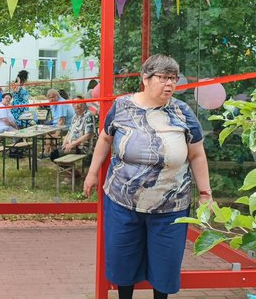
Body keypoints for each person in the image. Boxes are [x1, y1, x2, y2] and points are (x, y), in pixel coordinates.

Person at [82, 54, 212, 299]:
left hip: (170, 206)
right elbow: (105, 138)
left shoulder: (182, 112)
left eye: (173, 78)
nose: (170, 84)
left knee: (165, 265)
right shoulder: (122, 107)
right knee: (123, 261)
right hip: (122, 202)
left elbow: (197, 154)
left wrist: (206, 194)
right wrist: (91, 173)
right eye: (163, 78)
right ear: (145, 79)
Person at [50, 96, 97, 162]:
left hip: (82, 147)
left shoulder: (88, 115)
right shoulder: (75, 116)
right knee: (54, 153)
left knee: (55, 155)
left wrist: (71, 145)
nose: (76, 105)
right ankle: (71, 171)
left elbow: (88, 134)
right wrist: (64, 144)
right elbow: (69, 132)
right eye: (74, 104)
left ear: (83, 103)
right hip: (72, 145)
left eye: (79, 103)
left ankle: (72, 172)